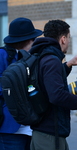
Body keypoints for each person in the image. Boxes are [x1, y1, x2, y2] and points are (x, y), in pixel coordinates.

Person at [29, 19, 77, 150]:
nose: (68, 41)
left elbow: (47, 80)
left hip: (46, 132)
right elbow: (57, 95)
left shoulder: (43, 55)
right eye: (68, 38)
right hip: (50, 134)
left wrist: (67, 66)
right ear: (62, 39)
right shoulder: (52, 60)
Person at [0, 17, 43, 150]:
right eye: (33, 39)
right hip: (10, 128)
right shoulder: (3, 55)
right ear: (29, 40)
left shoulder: (31, 57)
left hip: (31, 126)